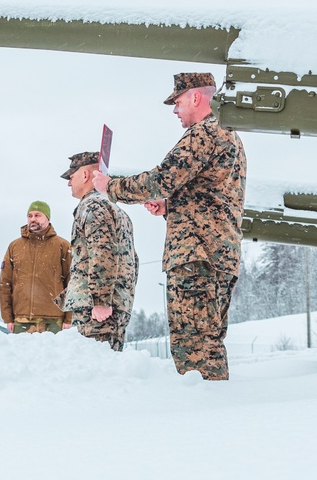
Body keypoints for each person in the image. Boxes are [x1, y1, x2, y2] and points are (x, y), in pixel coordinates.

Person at [92, 72, 246, 380]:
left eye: (176, 102)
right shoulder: (229, 135)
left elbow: (160, 179)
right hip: (219, 255)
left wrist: (111, 187)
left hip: (196, 256)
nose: (175, 110)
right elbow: (212, 196)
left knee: (193, 348)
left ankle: (200, 415)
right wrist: (169, 205)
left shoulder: (204, 133)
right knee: (209, 342)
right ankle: (218, 411)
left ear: (195, 97)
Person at [58, 151, 138, 351]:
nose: (69, 183)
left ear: (85, 175)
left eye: (71, 176)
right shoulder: (114, 208)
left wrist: (100, 301)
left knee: (96, 372)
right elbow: (133, 261)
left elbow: (103, 253)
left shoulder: (93, 206)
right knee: (108, 370)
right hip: (115, 305)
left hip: (96, 312)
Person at [0, 200, 73, 334]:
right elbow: (5, 284)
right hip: (21, 320)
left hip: (54, 321)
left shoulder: (62, 246)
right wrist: (7, 317)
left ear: (47, 218)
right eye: (30, 216)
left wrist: (68, 318)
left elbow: (71, 282)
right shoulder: (14, 247)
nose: (33, 219)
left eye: (38, 215)